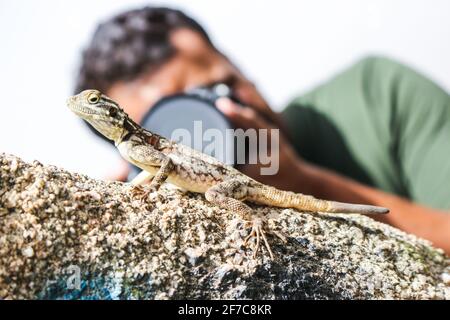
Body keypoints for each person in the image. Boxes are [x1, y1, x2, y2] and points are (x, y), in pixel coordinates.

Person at [74, 7, 450, 253]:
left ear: (236, 64)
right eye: (174, 120)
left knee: (215, 199)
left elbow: (169, 168)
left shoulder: (376, 93)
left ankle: (255, 218)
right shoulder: (134, 150)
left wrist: (304, 180)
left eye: (216, 90)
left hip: (230, 187)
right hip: (215, 182)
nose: (209, 123)